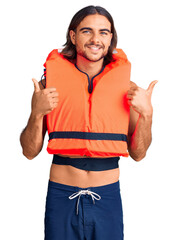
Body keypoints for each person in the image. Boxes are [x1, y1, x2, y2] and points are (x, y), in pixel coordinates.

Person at [20, 5, 157, 240]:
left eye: (104, 32)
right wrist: (36, 113)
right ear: (73, 36)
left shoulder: (127, 87)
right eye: (87, 31)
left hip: (108, 199)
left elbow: (139, 154)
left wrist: (147, 115)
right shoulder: (49, 86)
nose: (96, 39)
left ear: (111, 37)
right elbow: (29, 151)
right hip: (61, 196)